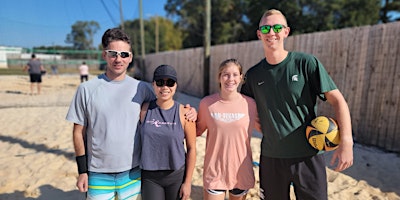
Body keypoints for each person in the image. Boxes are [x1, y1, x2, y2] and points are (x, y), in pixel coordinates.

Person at [66, 28, 197, 200]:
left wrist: (191, 111)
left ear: (130, 57)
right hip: (98, 173)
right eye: (113, 53)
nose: (118, 59)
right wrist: (82, 171)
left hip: (132, 173)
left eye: (124, 54)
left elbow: (165, 103)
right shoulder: (86, 89)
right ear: (104, 55)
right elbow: (78, 133)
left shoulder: (141, 88)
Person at [240, 9, 354, 200]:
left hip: (308, 156)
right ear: (259, 34)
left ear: (286, 31)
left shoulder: (306, 64)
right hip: (271, 157)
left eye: (277, 27)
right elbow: (243, 110)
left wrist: (347, 142)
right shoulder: (253, 75)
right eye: (266, 28)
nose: (271, 32)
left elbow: (338, 101)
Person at [196, 59, 260, 200]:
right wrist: (186, 113)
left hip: (240, 172)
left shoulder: (251, 105)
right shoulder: (207, 104)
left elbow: (267, 129)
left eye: (235, 75)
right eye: (225, 74)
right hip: (215, 172)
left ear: (241, 78)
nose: (230, 79)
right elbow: (195, 130)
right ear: (219, 77)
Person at [139, 64, 196, 200]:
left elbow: (192, 149)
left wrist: (187, 183)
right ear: (153, 85)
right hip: (150, 177)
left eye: (170, 83)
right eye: (160, 82)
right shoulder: (143, 110)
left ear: (176, 85)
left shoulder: (185, 113)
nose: (165, 87)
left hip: (176, 176)